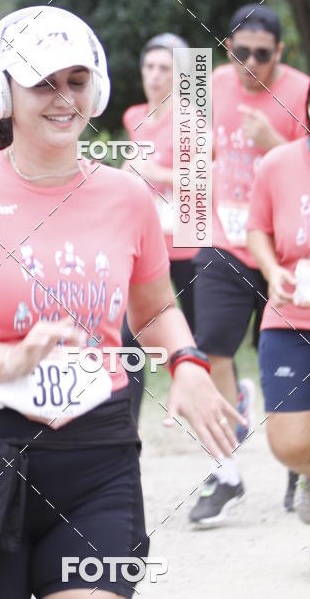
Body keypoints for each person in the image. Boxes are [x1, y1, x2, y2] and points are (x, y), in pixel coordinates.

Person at [0, 6, 242, 599]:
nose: (62, 98)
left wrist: (188, 363)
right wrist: (9, 363)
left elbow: (153, 311)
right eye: (43, 83)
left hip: (96, 454)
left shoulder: (127, 197)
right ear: (3, 93)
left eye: (75, 81)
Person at [189, 3, 310, 527]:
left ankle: (298, 463)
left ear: (280, 53)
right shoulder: (201, 84)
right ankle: (226, 471)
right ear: (226, 47)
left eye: (263, 55)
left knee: (286, 350)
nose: (251, 64)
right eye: (241, 53)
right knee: (212, 342)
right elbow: (188, 161)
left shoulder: (303, 90)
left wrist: (271, 143)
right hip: (226, 240)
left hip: (291, 249)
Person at [121, 34, 198, 422]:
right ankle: (128, 426)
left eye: (164, 68)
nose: (154, 76)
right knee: (128, 336)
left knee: (200, 339)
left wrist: (155, 173)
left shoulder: (189, 119)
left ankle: (219, 433)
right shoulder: (134, 117)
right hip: (145, 244)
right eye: (149, 67)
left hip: (186, 243)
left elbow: (202, 179)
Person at [247, 84, 310, 525]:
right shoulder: (279, 164)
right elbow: (257, 230)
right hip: (290, 316)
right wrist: (272, 270)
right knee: (286, 444)